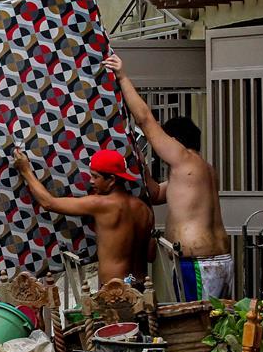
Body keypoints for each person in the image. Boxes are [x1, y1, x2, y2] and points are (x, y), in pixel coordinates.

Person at [104, 53, 234, 301]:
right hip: (215, 261)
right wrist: (139, 161)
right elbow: (155, 194)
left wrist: (122, 77)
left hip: (199, 264)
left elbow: (145, 120)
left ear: (176, 142)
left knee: (198, 329)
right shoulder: (201, 170)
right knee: (214, 329)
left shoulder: (183, 158)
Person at [12, 148, 154, 287]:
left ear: (111, 180)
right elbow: (150, 255)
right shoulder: (144, 209)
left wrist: (25, 170)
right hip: (139, 283)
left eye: (95, 176)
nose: (91, 181)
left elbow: (49, 203)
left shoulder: (101, 204)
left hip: (114, 290)